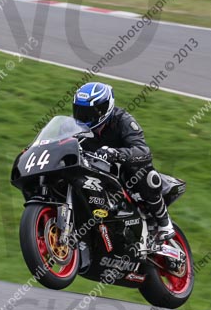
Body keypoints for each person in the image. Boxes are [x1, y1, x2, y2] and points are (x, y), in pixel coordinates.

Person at [72, 82, 175, 242]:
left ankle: (164, 223)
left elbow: (143, 151)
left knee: (146, 173)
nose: (83, 116)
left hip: (122, 172)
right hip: (93, 172)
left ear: (104, 109)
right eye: (79, 111)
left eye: (89, 112)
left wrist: (116, 153)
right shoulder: (76, 128)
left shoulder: (123, 120)